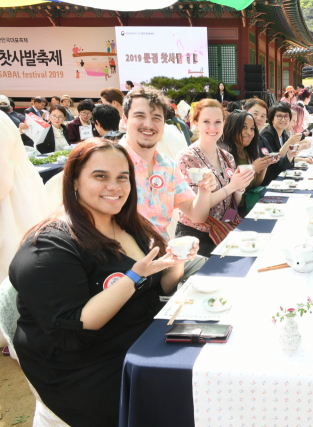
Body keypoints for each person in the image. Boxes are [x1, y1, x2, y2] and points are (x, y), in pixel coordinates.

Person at [9, 138, 198, 427]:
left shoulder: (127, 224)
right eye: (100, 176)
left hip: (142, 341)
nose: (116, 187)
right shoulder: (49, 248)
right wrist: (133, 276)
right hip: (88, 370)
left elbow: (157, 288)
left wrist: (178, 259)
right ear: (74, 180)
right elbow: (74, 332)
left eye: (123, 177)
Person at [120, 86, 222, 276]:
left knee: (221, 273)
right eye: (140, 116)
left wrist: (204, 189)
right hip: (126, 265)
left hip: (166, 257)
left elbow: (196, 215)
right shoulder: (112, 163)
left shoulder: (166, 165)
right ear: (125, 120)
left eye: (156, 118)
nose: (148, 124)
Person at [175, 100, 254, 256]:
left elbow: (232, 203)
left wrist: (240, 187)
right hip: (196, 237)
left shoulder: (227, 157)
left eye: (218, 122)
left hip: (223, 230)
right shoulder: (186, 158)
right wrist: (231, 187)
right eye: (206, 121)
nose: (213, 128)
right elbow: (196, 210)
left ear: (224, 123)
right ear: (195, 122)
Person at [220, 111, 272, 214]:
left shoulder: (247, 152)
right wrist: (252, 168)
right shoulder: (225, 156)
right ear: (232, 128)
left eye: (252, 128)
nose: (249, 132)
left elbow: (254, 185)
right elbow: (227, 193)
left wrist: (264, 165)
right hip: (233, 213)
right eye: (244, 127)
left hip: (248, 208)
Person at [260, 103, 303, 185]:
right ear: (272, 119)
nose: (283, 119)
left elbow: (287, 159)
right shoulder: (266, 135)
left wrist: (291, 154)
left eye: (286, 116)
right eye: (279, 116)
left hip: (281, 177)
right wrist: (289, 142)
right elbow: (274, 163)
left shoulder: (284, 134)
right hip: (270, 180)